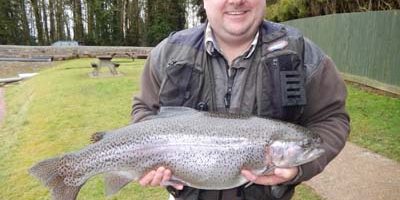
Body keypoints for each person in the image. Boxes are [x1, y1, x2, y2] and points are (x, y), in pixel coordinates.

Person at [131, 0, 350, 199]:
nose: (236, 1)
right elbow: (145, 110)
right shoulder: (168, 53)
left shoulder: (302, 54)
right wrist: (148, 155)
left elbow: (331, 118)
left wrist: (301, 168)